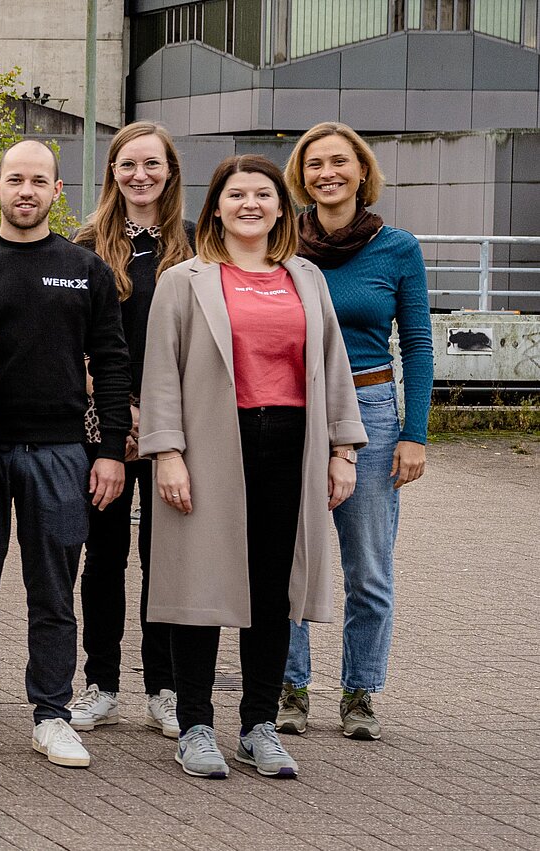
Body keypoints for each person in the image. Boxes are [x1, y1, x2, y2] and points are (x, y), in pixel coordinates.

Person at [138, 154, 364, 779]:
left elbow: (334, 365)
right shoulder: (186, 280)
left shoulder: (307, 278)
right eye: (236, 194)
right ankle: (196, 727)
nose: (250, 205)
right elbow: (160, 375)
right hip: (213, 441)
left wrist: (342, 451)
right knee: (201, 586)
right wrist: (168, 454)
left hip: (292, 443)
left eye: (263, 194)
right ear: (215, 206)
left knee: (272, 586)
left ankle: (259, 723)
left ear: (280, 206)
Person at [0, 140, 131, 771]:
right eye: (14, 179)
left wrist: (110, 452)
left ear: (56, 191)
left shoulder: (86, 270)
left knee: (54, 590)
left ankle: (53, 714)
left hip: (61, 453)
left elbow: (112, 362)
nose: (25, 191)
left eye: (37, 181)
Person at [280, 121, 429, 742]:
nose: (327, 174)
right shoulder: (282, 245)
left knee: (367, 568)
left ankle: (361, 692)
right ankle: (290, 687)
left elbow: (418, 346)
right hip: (291, 412)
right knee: (290, 560)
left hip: (370, 412)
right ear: (301, 176)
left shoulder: (398, 248)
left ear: (362, 171)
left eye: (339, 162)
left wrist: (414, 432)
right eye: (314, 165)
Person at [71, 120, 193, 738]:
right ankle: (100, 683)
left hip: (180, 426)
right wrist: (119, 408)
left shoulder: (200, 246)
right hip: (106, 425)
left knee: (165, 558)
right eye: (127, 165)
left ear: (170, 171)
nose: (139, 176)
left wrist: (160, 412)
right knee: (105, 556)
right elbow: (76, 340)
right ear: (112, 173)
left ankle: (164, 686)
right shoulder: (86, 245)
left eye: (151, 164)